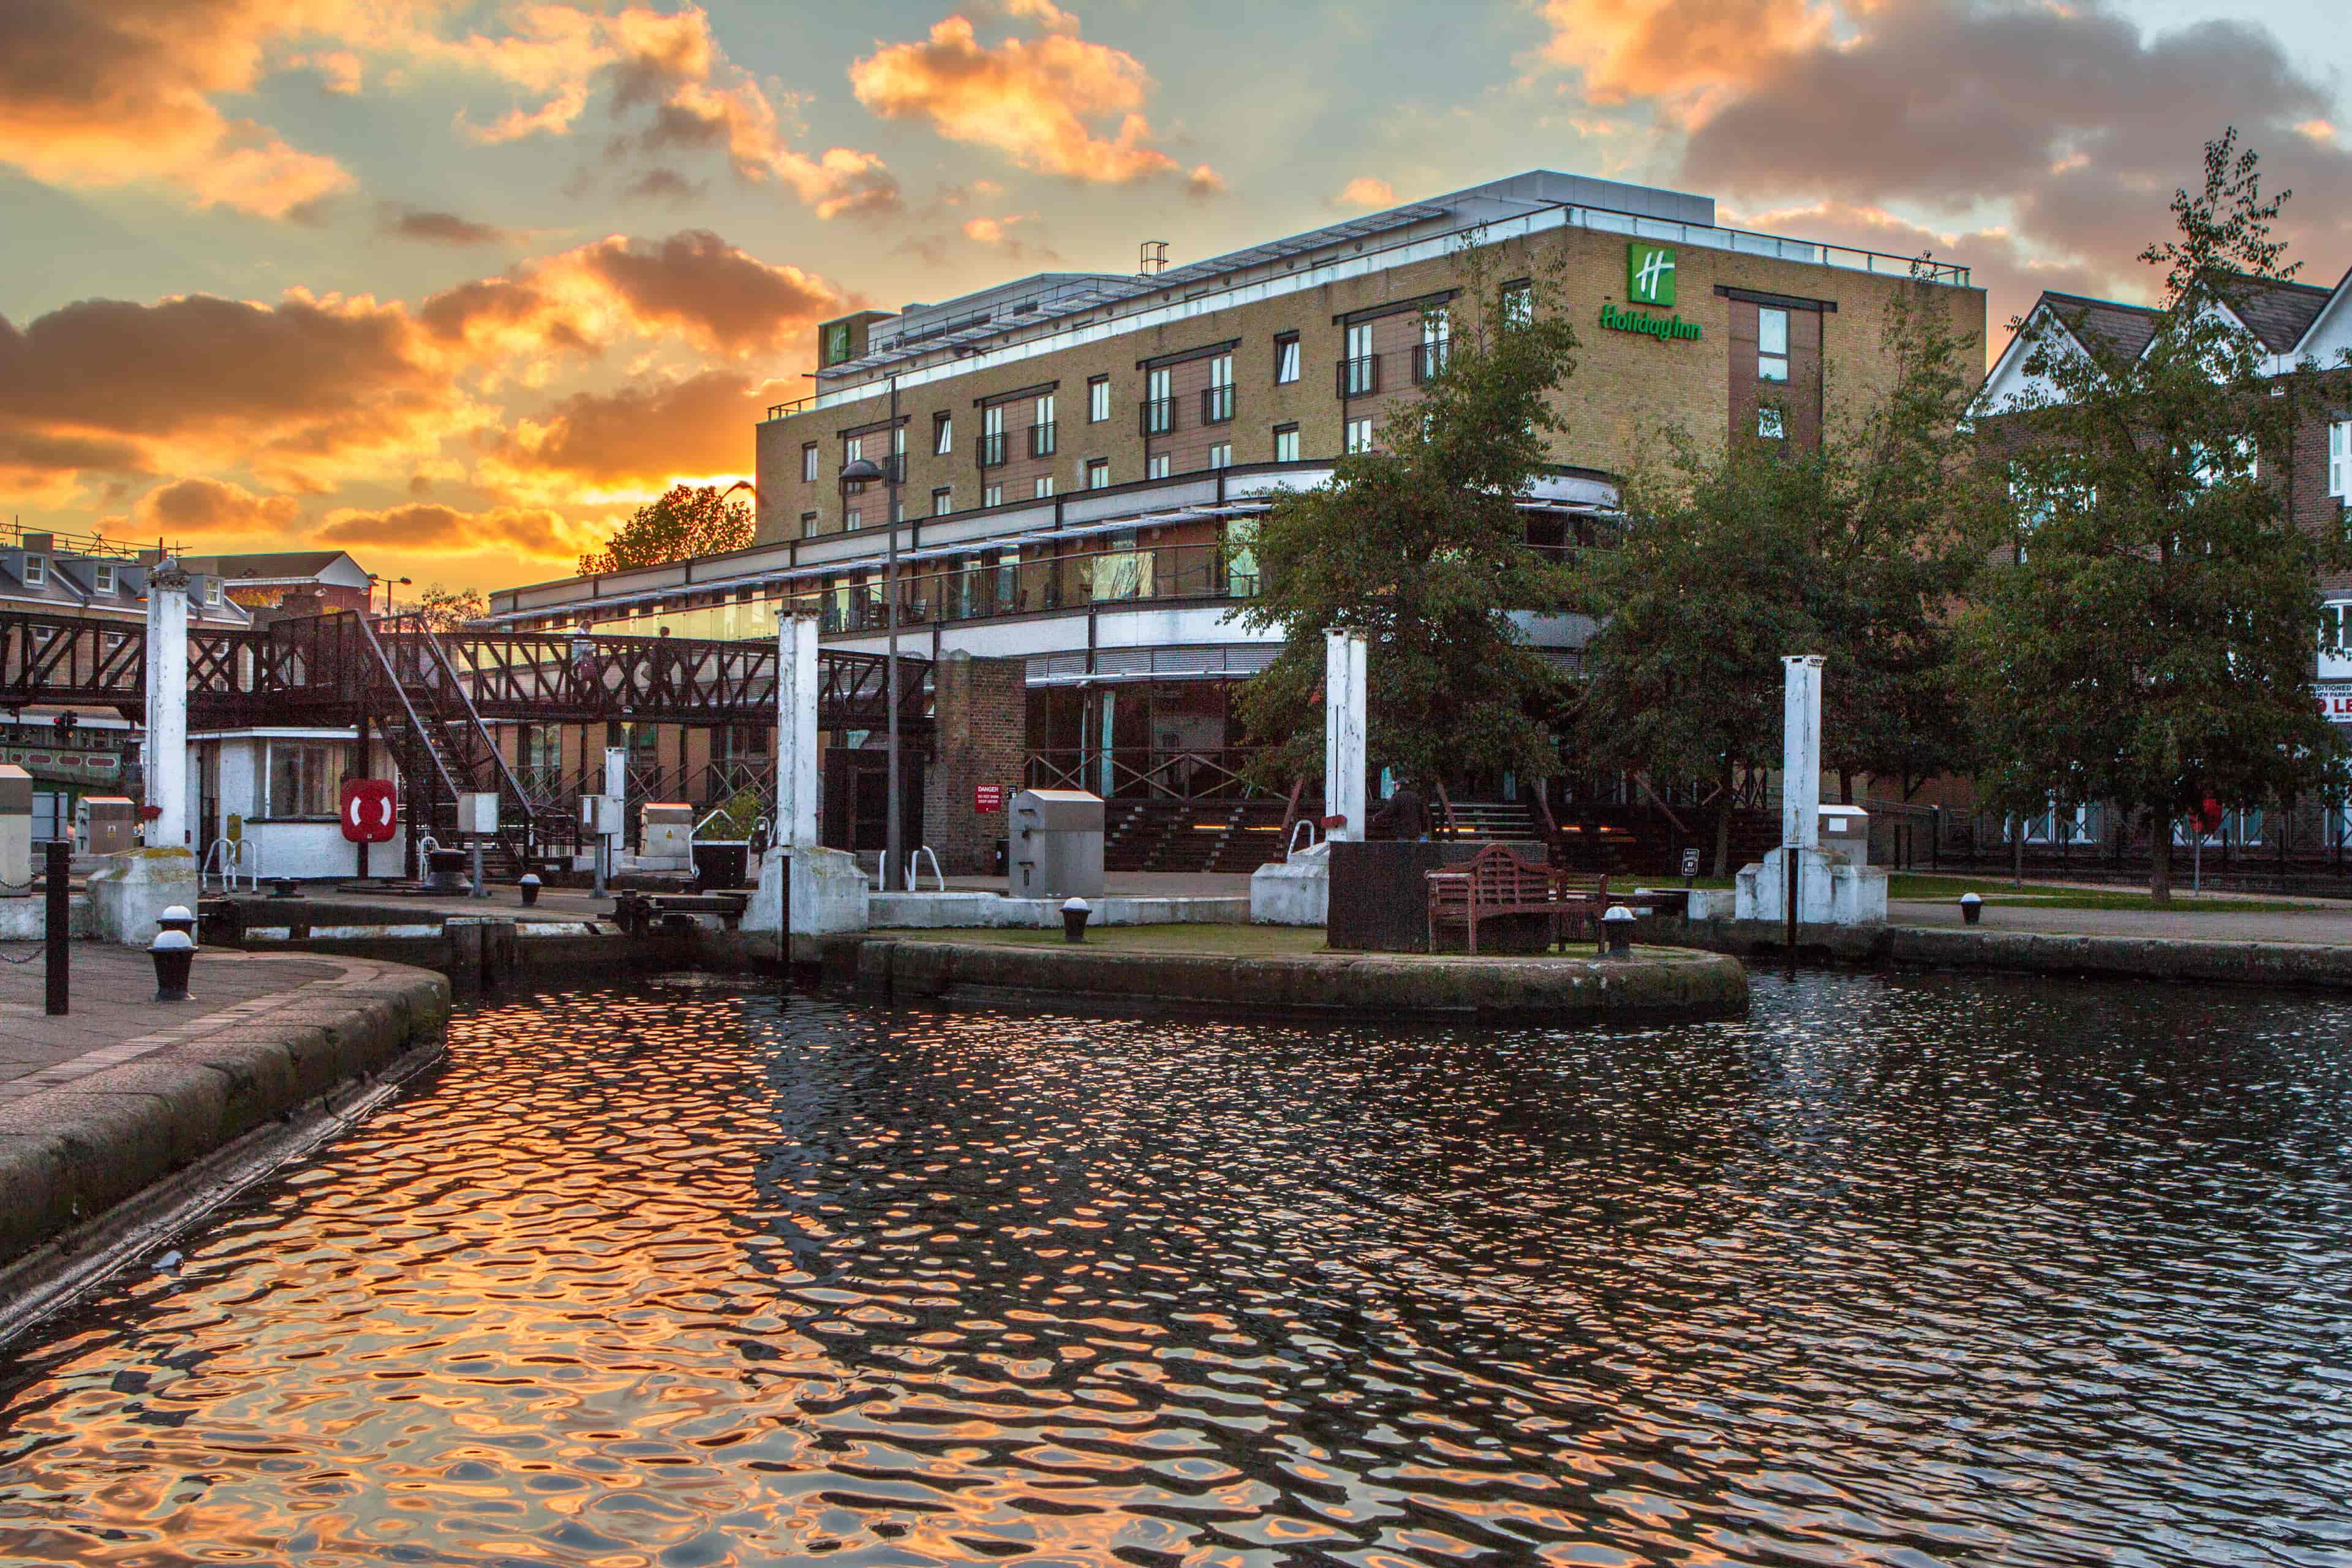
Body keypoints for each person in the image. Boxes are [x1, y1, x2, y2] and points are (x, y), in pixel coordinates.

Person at [1376, 778, 1433, 842]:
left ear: (1399, 785)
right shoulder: (1416, 797)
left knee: (1403, 847)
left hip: (1402, 832)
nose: (1395, 787)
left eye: (1396, 785)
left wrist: (1377, 817)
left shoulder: (1397, 797)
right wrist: (1424, 829)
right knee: (1413, 847)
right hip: (1415, 832)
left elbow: (1389, 810)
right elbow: (1423, 814)